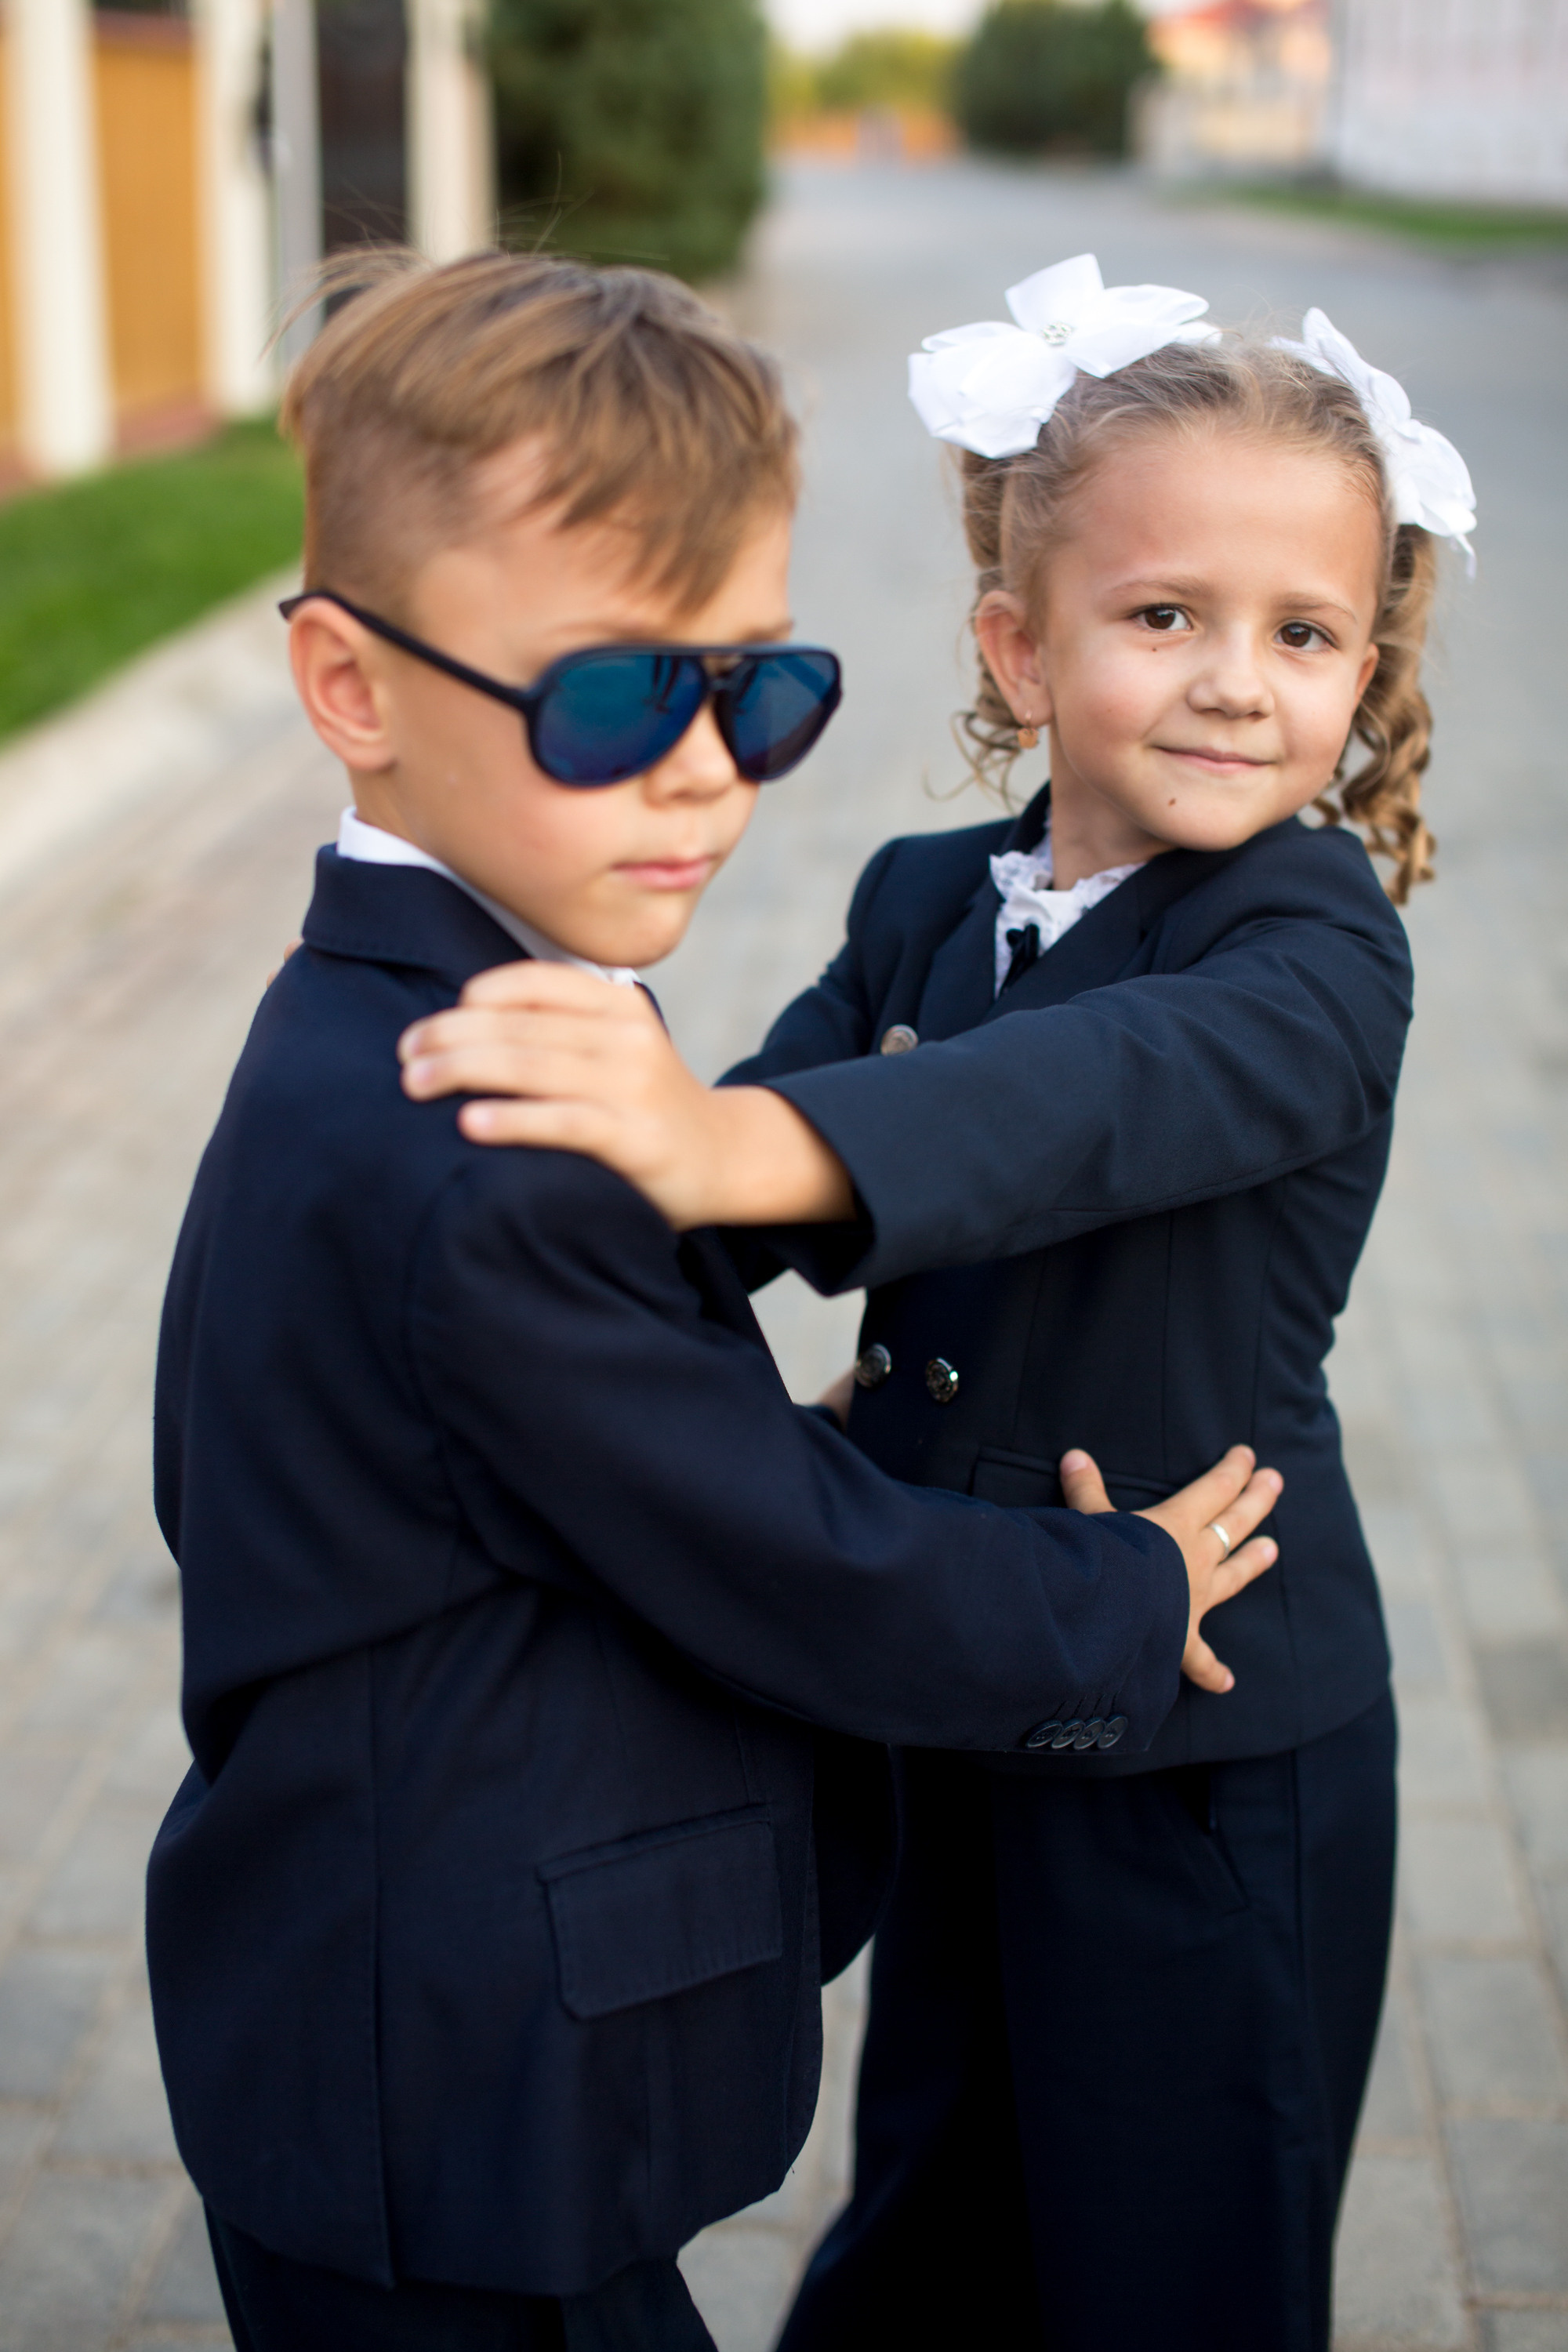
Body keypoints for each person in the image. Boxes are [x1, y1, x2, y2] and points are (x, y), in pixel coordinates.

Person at [147, 249, 1280, 2352]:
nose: (704, 774)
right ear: (352, 690)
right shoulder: (470, 1136)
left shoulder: (441, 1011)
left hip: (395, 2021)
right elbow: (794, 1571)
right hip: (459, 2098)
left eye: (757, 689)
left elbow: (529, 1457)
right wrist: (1113, 1603)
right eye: (608, 698)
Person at [395, 260, 1476, 2350]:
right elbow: (724, 1191)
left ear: (1363, 668)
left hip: (1206, 1739)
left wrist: (736, 1146)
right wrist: (552, 1255)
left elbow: (1086, 1102)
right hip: (970, 1676)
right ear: (1020, 642)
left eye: (1307, 632)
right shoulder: (919, 905)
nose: (1240, 681)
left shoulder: (1318, 947)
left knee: (1172, 2255)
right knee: (941, 2188)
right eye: (1166, 616)